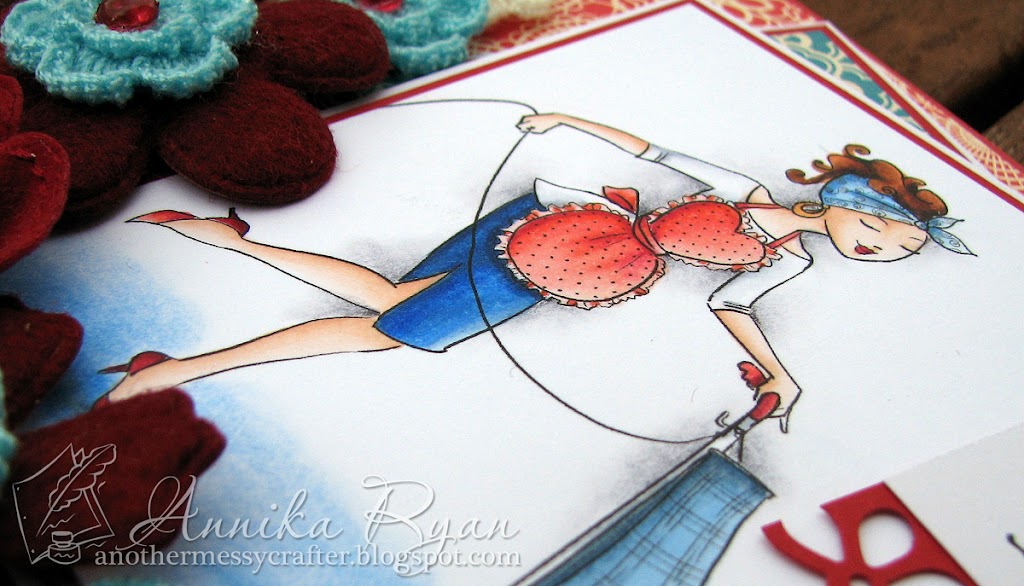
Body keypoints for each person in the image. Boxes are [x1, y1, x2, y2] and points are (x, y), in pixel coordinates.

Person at [99, 113, 971, 431]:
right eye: (880, 230)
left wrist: (778, 372)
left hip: (570, 250)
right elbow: (657, 152)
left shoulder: (786, 260)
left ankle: (227, 259)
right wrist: (565, 120)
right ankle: (187, 353)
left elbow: (734, 309)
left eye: (897, 252)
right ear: (849, 200)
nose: (878, 248)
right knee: (391, 328)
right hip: (562, 238)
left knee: (392, 307)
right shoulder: (747, 193)